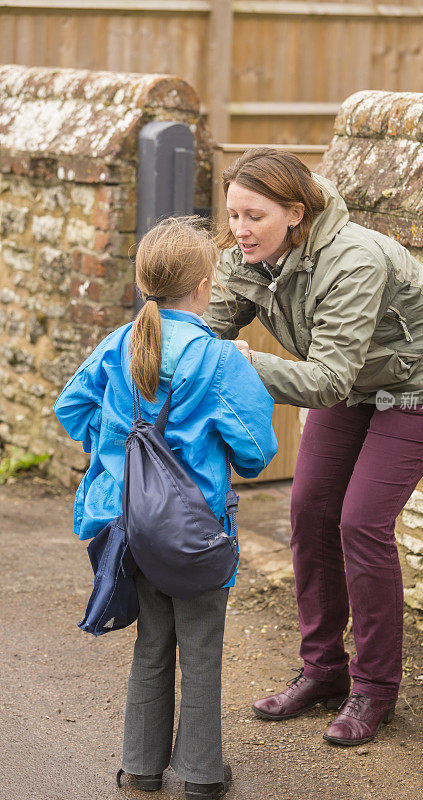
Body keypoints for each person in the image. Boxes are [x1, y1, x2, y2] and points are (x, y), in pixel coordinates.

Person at [203, 148, 423, 747]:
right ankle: (322, 670)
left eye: (254, 216)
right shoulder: (251, 259)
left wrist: (244, 365)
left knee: (361, 522)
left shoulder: (352, 259)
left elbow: (326, 380)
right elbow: (203, 329)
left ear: (295, 212)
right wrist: (148, 344)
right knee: (308, 510)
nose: (239, 230)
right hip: (356, 377)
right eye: (233, 215)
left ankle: (374, 688)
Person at [54, 217, 278, 797]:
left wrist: (114, 450)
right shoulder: (220, 359)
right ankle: (202, 776)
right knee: (201, 651)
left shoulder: (118, 344)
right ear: (205, 283)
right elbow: (257, 453)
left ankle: (140, 768)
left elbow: (70, 409)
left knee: (151, 644)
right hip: (195, 531)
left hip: (127, 525)